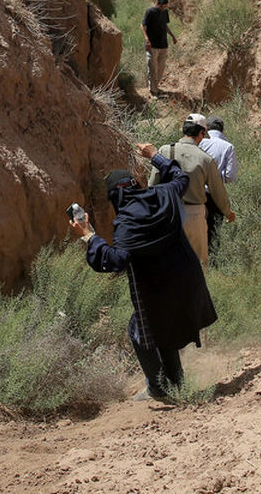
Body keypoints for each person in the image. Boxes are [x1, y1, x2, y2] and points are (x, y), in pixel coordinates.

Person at [69, 143, 217, 402]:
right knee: (164, 328)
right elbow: (181, 176)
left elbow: (115, 260)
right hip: (187, 280)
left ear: (115, 196)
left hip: (157, 290)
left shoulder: (126, 223)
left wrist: (89, 236)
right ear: (136, 184)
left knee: (139, 331)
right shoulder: (164, 194)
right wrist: (154, 156)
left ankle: (158, 389)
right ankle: (177, 385)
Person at [149, 114, 234, 265]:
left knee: (170, 262)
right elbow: (217, 191)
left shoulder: (164, 151)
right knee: (198, 263)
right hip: (194, 214)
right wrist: (227, 212)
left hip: (169, 212)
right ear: (201, 133)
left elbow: (153, 185)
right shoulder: (205, 159)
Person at [199, 115, 238, 257]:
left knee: (196, 229)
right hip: (216, 196)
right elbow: (230, 177)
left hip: (196, 194)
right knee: (213, 232)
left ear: (207, 129)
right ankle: (212, 263)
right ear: (223, 130)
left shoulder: (200, 143)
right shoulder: (228, 147)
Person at [141, 0, 177, 96]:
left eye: (165, 6)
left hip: (163, 45)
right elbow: (142, 25)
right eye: (162, 6)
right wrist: (147, 39)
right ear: (158, 4)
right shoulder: (150, 12)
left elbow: (165, 25)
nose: (163, 8)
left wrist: (173, 36)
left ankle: (155, 88)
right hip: (152, 45)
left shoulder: (165, 12)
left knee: (160, 69)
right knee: (153, 69)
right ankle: (153, 91)